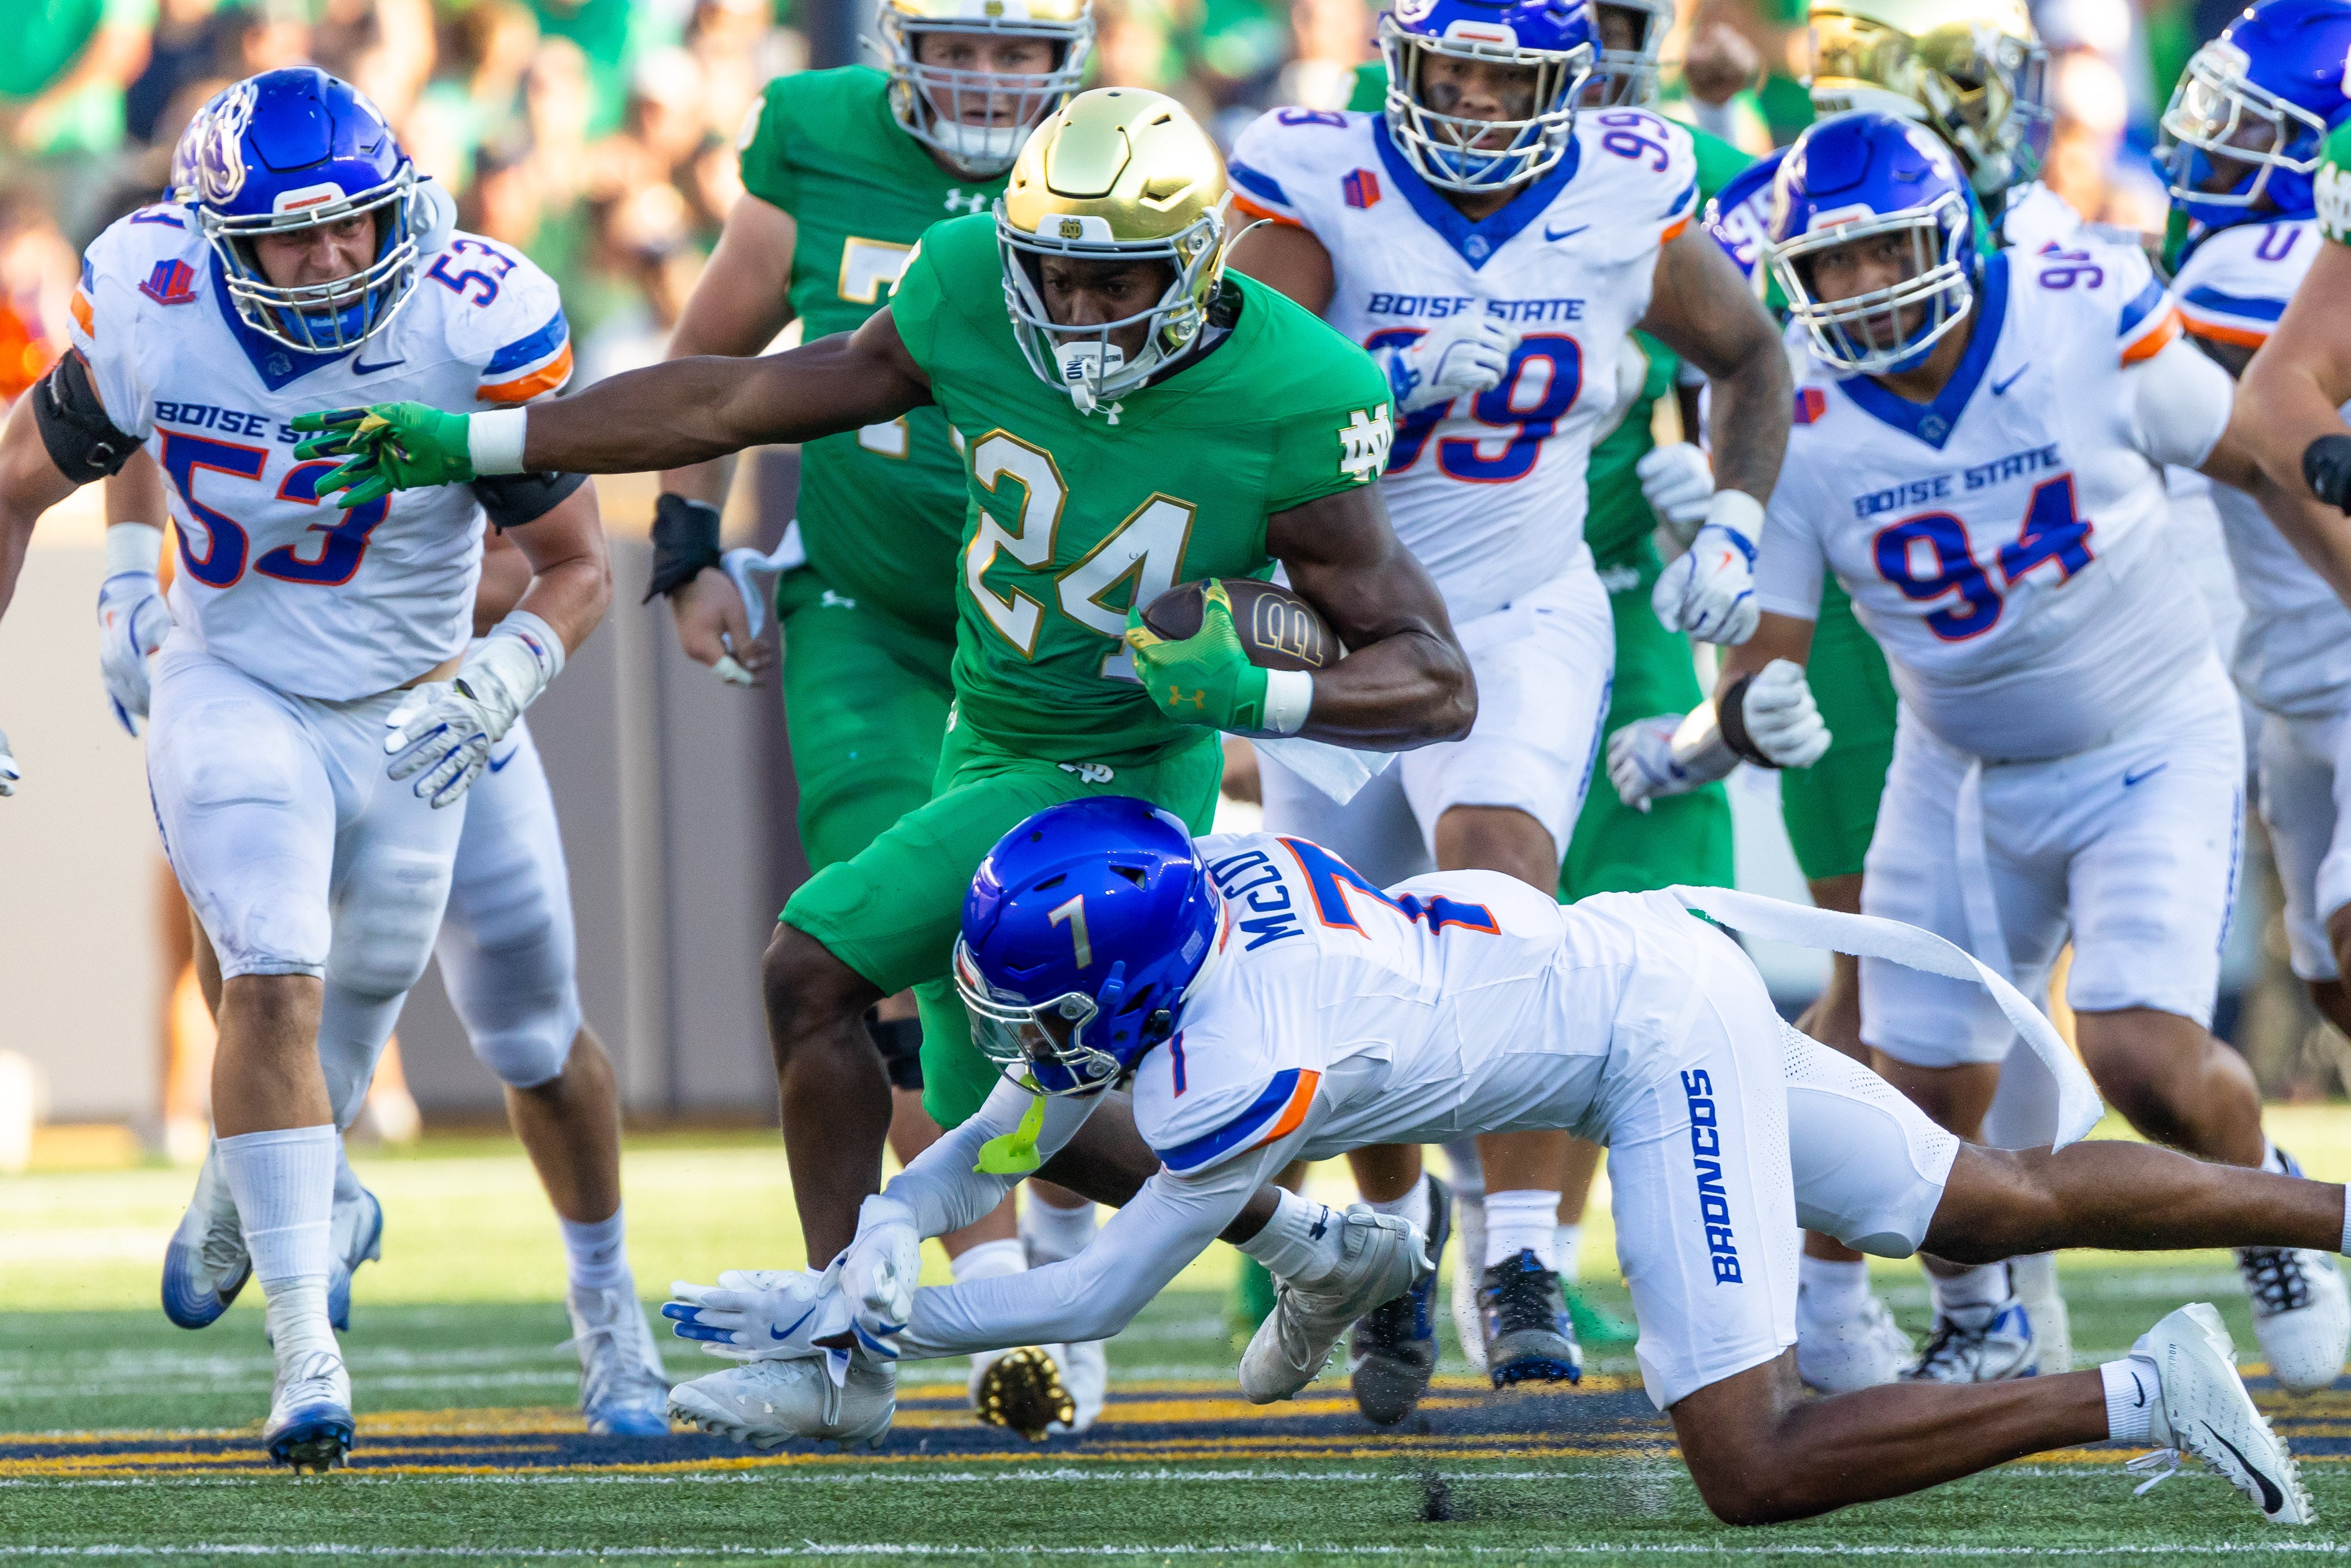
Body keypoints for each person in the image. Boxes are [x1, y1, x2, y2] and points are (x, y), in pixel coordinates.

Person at [288, 87, 1475, 1436]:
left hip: (1121, 774)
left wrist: (1263, 692)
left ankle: (834, 1355)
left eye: (1114, 282)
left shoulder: (1297, 391)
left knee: (812, 969)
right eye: (1055, 274)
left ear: (1198, 264)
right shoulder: (969, 284)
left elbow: (1437, 680)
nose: (1077, 309)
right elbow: (739, 393)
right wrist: (486, 442)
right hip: (991, 732)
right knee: (993, 1110)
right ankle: (1328, 1247)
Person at [669, 794, 2332, 1530]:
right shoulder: (1204, 903)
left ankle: (2143, 1392)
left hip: (1642, 1040)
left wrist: (868, 1316)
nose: (1020, 1038)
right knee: (1994, 1199)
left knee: (1751, 1460)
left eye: (1043, 1008)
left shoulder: (1235, 1066)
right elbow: (1011, 1125)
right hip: (1622, 960)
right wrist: (881, 1225)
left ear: (1140, 981)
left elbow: (1094, 1287)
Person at [1614, 110, 2351, 1393]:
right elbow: (1759, 668)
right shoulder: (1796, 410)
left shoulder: (2079, 307)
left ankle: (2267, 1201)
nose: (1861, 287)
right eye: (1830, 264)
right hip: (1953, 767)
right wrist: (1732, 725)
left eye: (1884, 252)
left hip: (2149, 734)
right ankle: (1983, 1316)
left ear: (1952, 237)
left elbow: (2250, 456)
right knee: (1916, 1104)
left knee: (2143, 1057)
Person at [0, 67, 612, 1470]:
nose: (335, 256)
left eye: (354, 224)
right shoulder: (156, 301)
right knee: (272, 968)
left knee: (338, 1047)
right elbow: (18, 480)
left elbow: (576, 563)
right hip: (232, 675)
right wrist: (124, 576)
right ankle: (305, 1356)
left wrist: (508, 670)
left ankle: (260, 1178)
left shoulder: (468, 314)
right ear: (223, 245)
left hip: (411, 706)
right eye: (294, 236)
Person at [1220, 0, 1791, 1417]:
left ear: (1568, 85)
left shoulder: (1627, 184)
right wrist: (1382, 391)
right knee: (1342, 957)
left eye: (1505, 79)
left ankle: (1522, 1253)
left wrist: (1734, 524)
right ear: (1400, 62)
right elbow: (1221, 400)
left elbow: (1751, 354)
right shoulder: (1322, 177)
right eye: (1451, 72)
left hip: (1526, 605)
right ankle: (1397, 1234)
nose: (1474, 104)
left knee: (1501, 892)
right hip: (1342, 614)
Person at [649, 0, 1113, 1435]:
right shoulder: (819, 135)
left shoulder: (1117, 164)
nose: (984, 78)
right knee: (890, 944)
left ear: (1068, 61)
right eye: (958, 46)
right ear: (901, 46)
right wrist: (687, 543)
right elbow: (719, 348)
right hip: (870, 615)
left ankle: (1064, 1246)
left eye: (1014, 52)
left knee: (1059, 955)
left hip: (1056, 639)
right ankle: (981, 1291)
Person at [103, 458, 668, 1434]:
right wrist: (128, 578)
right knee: (252, 946)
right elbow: (100, 418)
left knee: (536, 1037)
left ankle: (606, 1300)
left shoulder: (447, 365)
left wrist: (355, 584)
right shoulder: (208, 357)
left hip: (439, 712)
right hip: (266, 703)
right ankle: (314, 1200)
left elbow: (545, 561)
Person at [1693, 0, 2080, 1391]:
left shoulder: (2029, 227)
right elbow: (1711, 391)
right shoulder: (1760, 211)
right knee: (1881, 967)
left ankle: (1999, 1275)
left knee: (2007, 975)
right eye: (1974, 72)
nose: (1999, 100)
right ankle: (1843, 1288)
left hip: (2000, 617)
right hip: (1844, 612)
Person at [2148, 0, 2351, 1395]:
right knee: (2328, 965)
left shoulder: (2247, 261)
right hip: (2289, 679)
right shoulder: (2270, 255)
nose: (2206, 157)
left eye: (2245, 132)